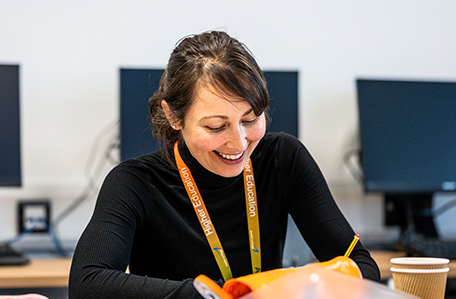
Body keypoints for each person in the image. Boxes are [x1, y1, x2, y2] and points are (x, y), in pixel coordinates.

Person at [69, 30, 380, 299]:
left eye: (250, 119)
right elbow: (87, 285)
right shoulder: (135, 182)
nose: (239, 142)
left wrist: (285, 286)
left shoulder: (284, 159)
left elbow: (362, 267)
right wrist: (213, 294)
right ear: (174, 116)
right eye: (217, 126)